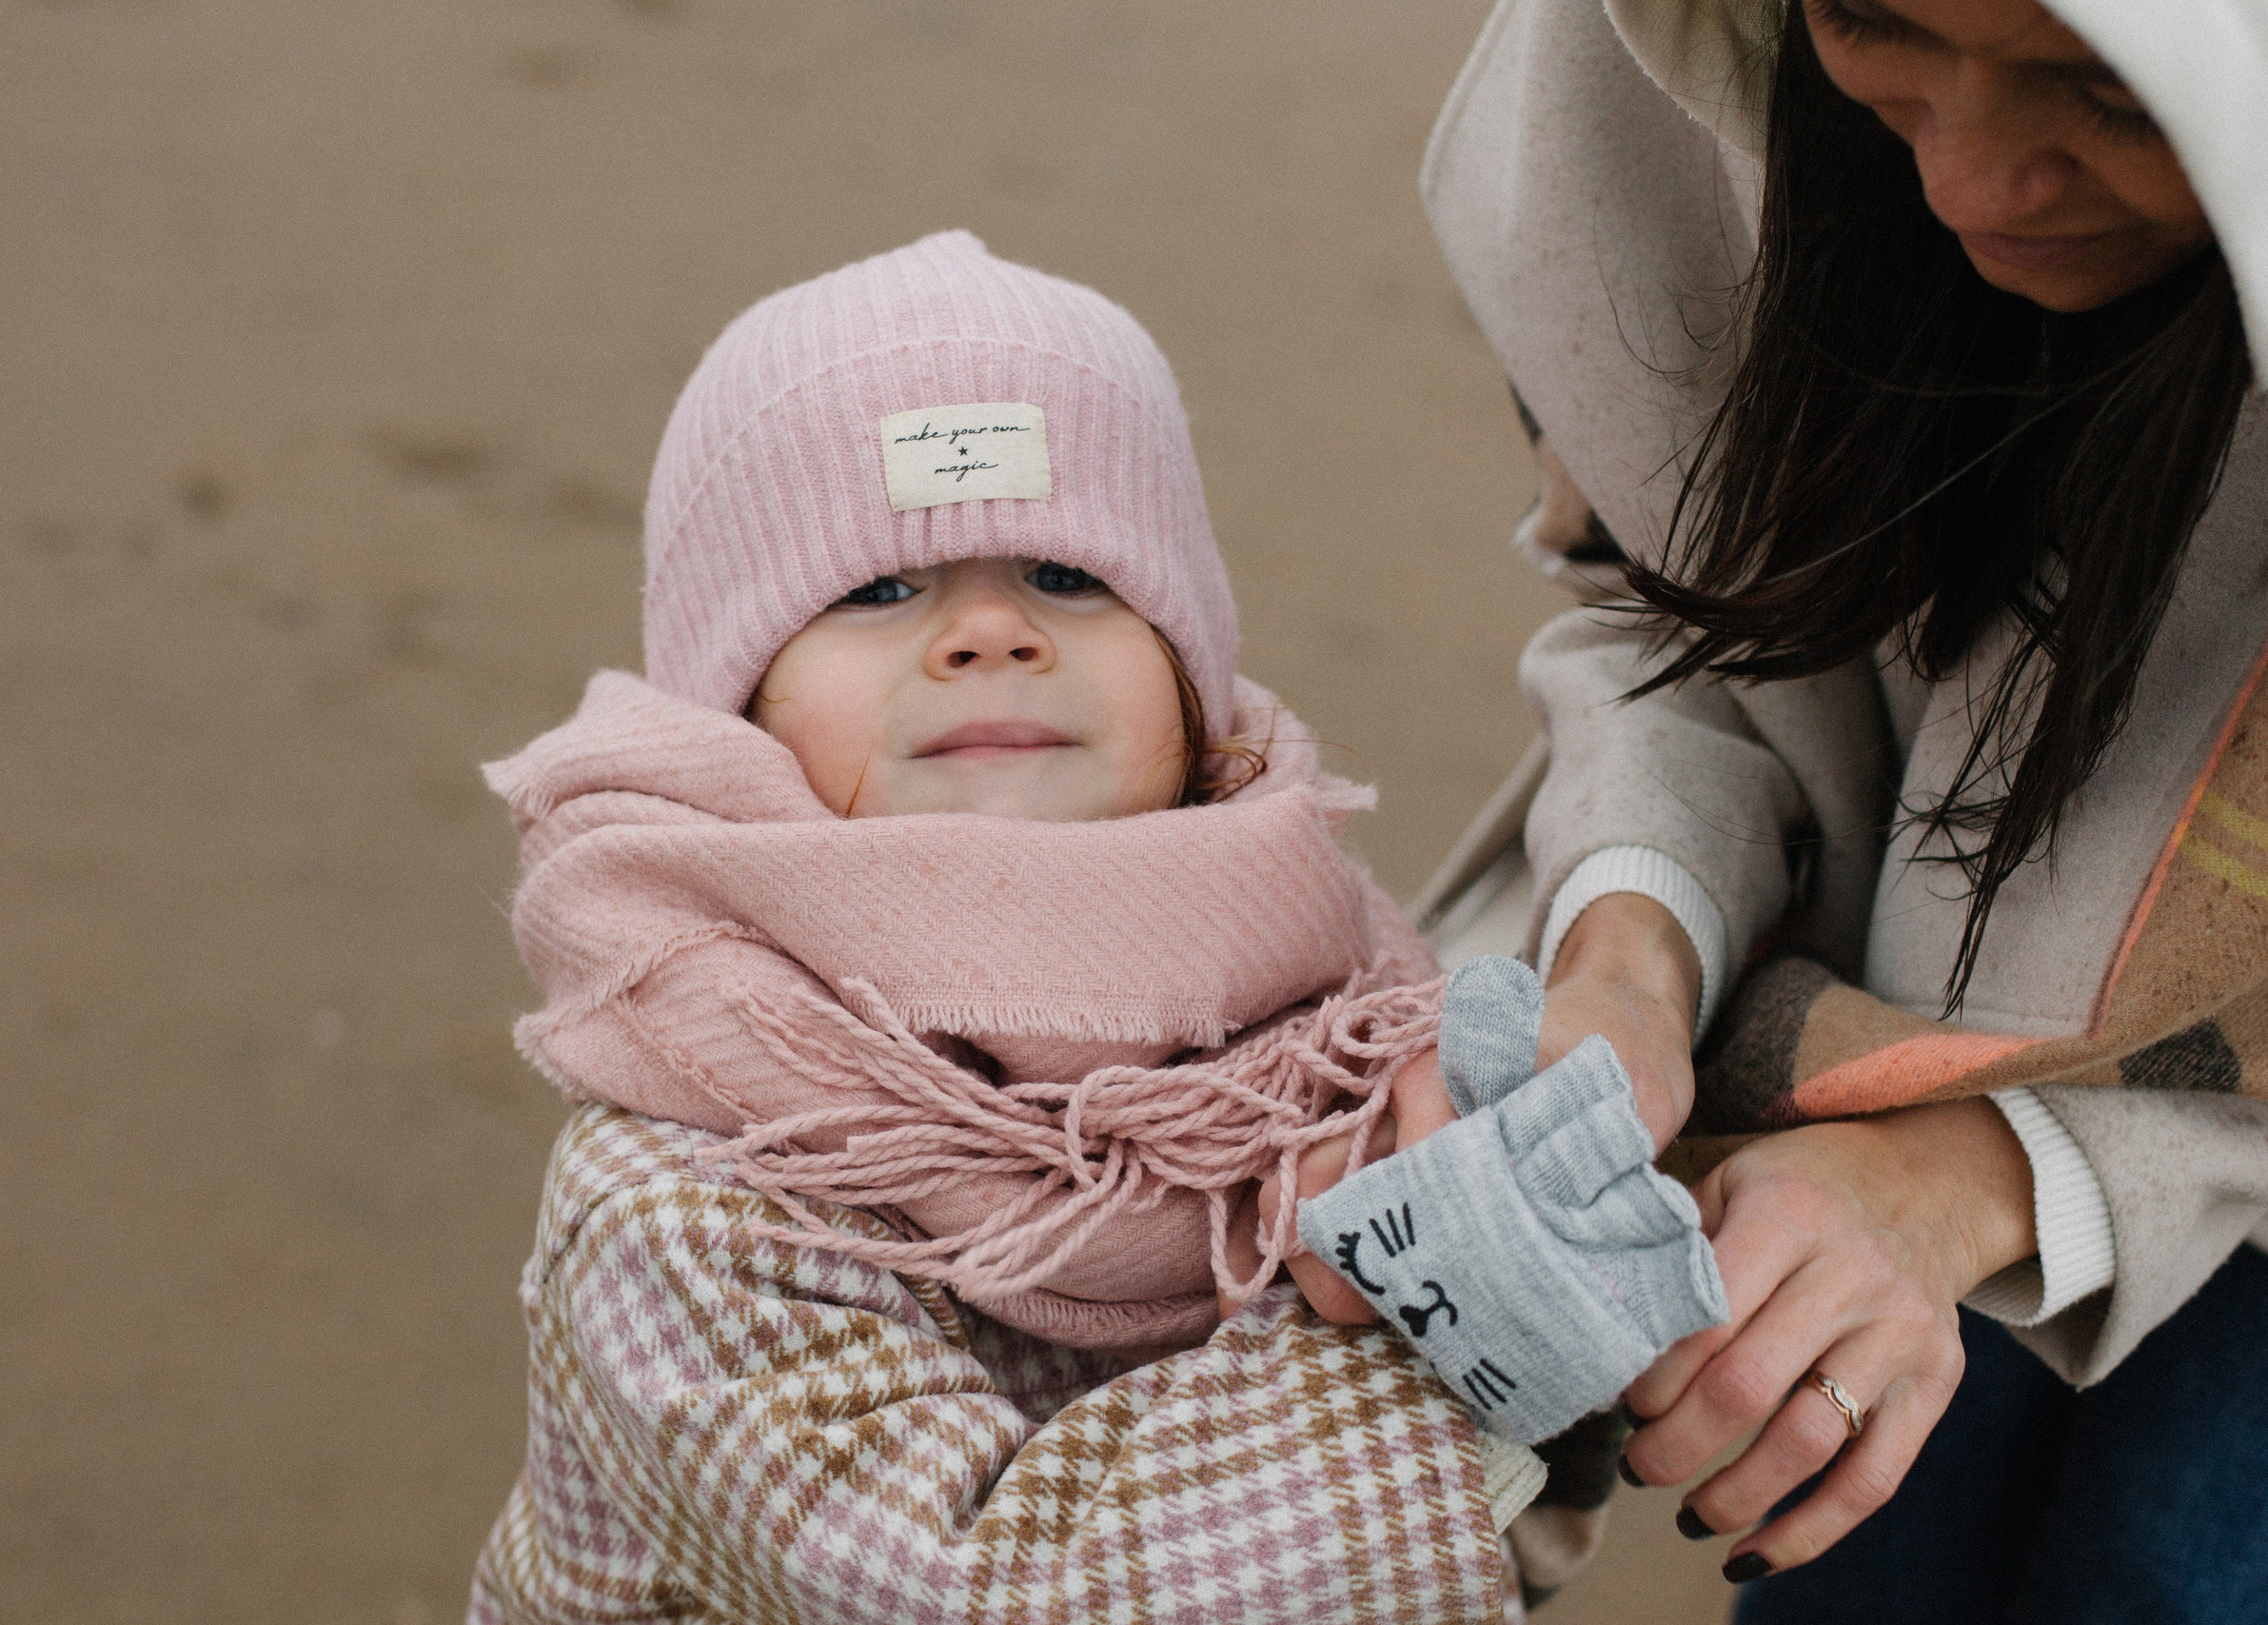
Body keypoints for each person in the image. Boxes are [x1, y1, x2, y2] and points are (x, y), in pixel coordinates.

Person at [1317, 0, 2268, 1616]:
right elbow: (1673, 606)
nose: (1972, 179)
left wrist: (1963, 1181)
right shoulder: (1680, 102)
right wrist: (1627, 954)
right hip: (1885, 992)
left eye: (2111, 91)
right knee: (1876, 1546)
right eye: (1869, 18)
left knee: (2177, 1557)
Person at [465, 229, 1720, 1625]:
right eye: (882, 592)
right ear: (735, 712)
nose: (991, 633)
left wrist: (1572, 1282)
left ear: (1191, 684)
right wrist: (1464, 1318)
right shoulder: (683, 1180)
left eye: (1070, 579)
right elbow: (966, 1591)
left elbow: (1511, 1513)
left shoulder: (1328, 1008)